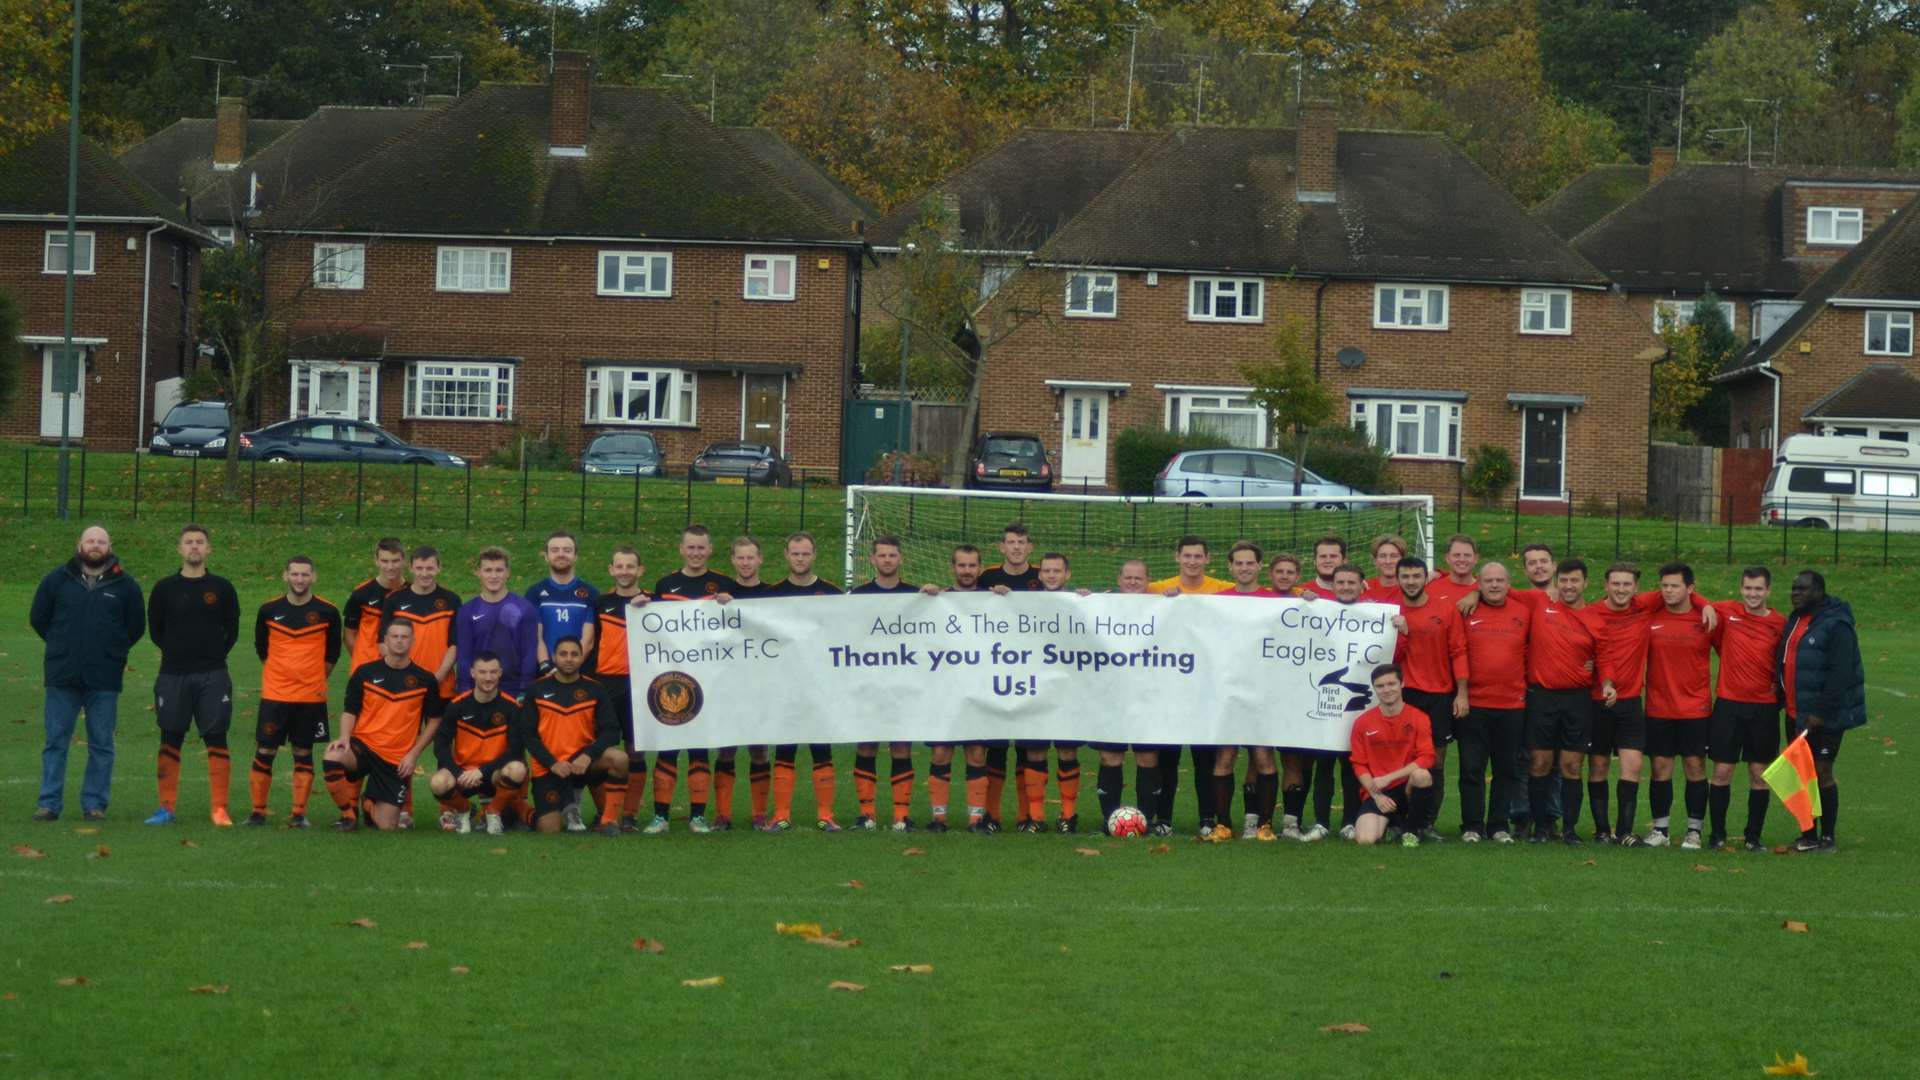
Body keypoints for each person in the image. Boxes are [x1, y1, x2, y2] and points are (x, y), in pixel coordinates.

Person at [30, 526, 145, 822]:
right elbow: (39, 619)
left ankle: (94, 804)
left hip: (104, 678)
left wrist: (111, 652)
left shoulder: (126, 585)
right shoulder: (56, 580)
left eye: (101, 541)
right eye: (90, 540)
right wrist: (62, 646)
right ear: (79, 545)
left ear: (110, 546)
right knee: (56, 741)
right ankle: (48, 803)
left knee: (102, 744)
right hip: (62, 675)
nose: (95, 545)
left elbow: (134, 628)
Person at [143, 524, 241, 826]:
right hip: (173, 674)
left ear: (209, 549)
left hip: (213, 673)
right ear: (180, 549)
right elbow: (156, 631)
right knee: (170, 737)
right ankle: (166, 808)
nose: (195, 547)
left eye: (200, 542)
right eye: (189, 542)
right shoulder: (164, 589)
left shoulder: (223, 588)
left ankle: (219, 809)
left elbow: (232, 631)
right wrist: (178, 652)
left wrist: (210, 653)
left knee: (216, 737)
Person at [644, 525, 735, 834]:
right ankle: (660, 816)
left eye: (701, 548)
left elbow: (736, 628)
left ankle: (698, 816)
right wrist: (641, 606)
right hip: (672, 676)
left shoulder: (723, 585)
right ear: (681, 549)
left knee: (700, 747)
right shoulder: (666, 584)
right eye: (691, 548)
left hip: (710, 678)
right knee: (668, 745)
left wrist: (730, 604)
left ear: (710, 550)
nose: (696, 553)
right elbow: (651, 626)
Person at [323, 619, 444, 832]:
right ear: (385, 640)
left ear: (412, 641)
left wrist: (413, 754)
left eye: (404, 637)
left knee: (387, 826)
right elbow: (350, 710)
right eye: (394, 636)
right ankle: (348, 814)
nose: (399, 641)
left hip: (396, 759)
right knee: (333, 755)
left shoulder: (425, 680)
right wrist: (344, 737)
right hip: (364, 746)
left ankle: (368, 803)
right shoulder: (364, 673)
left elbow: (434, 720)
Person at [248, 555, 342, 827]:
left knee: (303, 752)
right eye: (295, 574)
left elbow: (332, 653)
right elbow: (261, 648)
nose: (300, 579)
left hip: (310, 698)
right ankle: (258, 812)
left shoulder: (327, 611)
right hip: (275, 696)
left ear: (314, 577)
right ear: (285, 576)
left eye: (305, 574)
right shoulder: (268, 610)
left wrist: (311, 678)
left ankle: (299, 813)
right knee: (265, 751)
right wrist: (281, 674)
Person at [1775, 569, 1864, 853]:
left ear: (1819, 591)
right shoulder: (1796, 620)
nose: (1795, 594)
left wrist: (1822, 712)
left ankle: (1828, 837)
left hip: (1824, 717)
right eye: (1793, 589)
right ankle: (1808, 834)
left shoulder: (1837, 624)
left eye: (1802, 589)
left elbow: (1841, 672)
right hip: (1795, 712)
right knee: (1802, 774)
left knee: (1823, 770)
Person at [1150, 535, 1229, 836]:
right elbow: (1124, 603)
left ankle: (1207, 818)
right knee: (1168, 760)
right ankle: (1163, 818)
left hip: (1206, 690)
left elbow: (1263, 599)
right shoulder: (1159, 589)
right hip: (1169, 689)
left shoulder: (1222, 589)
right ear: (1177, 558)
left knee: (1204, 759)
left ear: (1208, 559)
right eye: (1187, 556)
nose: (1192, 561)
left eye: (1198, 556)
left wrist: (1305, 594)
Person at [1386, 555, 1467, 842]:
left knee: (1435, 761)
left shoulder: (1445, 609)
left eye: (1415, 576)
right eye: (1405, 577)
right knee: (1398, 759)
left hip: (1439, 696)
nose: (1410, 582)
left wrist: (1461, 692)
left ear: (1426, 578)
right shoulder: (1387, 610)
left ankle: (1426, 822)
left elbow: (1458, 650)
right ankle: (1398, 820)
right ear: (1397, 579)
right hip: (1402, 695)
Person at [767, 532, 843, 831]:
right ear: (786, 556)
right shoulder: (771, 595)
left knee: (821, 749)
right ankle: (781, 815)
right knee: (785, 749)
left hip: (820, 685)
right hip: (784, 686)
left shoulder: (832, 593)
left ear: (814, 556)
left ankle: (826, 816)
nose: (800, 558)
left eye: (806, 553)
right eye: (795, 553)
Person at [1707, 566, 1787, 851]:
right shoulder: (1727, 613)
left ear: (1768, 591)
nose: (1753, 594)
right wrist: (1705, 606)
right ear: (1740, 589)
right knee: (1722, 771)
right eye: (1748, 588)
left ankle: (1753, 837)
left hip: (1763, 708)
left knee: (1758, 772)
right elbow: (1696, 600)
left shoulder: (1779, 623)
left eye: (1759, 589)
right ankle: (1717, 835)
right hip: (1729, 705)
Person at [517, 636, 627, 836]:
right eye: (563, 654)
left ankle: (608, 821)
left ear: (581, 657)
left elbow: (611, 731)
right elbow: (528, 735)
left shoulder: (595, 689)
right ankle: (520, 810)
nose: (569, 659)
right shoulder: (537, 689)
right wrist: (551, 762)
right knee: (549, 829)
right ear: (554, 657)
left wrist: (588, 755)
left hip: (584, 763)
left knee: (619, 758)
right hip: (550, 767)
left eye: (574, 654)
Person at [1209, 541, 1281, 839]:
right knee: (1225, 757)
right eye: (1238, 563)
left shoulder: (1275, 601)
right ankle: (1223, 824)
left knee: (1263, 757)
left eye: (1249, 563)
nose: (1244, 568)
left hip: (1263, 693)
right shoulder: (1218, 600)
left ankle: (1265, 825)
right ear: (1230, 567)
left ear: (1259, 566)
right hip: (1228, 693)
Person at [1641, 563, 1714, 850]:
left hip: (1695, 709)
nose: (1668, 591)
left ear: (1690, 589)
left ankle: (1694, 830)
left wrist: (1704, 604)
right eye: (1664, 585)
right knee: (1660, 769)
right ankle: (1660, 829)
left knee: (1695, 767)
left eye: (1675, 585)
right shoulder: (1650, 616)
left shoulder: (1706, 619)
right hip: (1659, 708)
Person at [920, 544, 991, 832]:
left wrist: (1005, 597)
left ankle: (976, 819)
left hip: (979, 690)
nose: (966, 571)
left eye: (972, 565)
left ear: (979, 568)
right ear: (953, 568)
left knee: (976, 752)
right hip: (945, 691)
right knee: (940, 753)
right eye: (961, 565)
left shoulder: (993, 600)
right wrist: (925, 596)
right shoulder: (939, 599)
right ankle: (939, 818)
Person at [1456, 562, 1529, 843]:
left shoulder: (1523, 611)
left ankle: (1498, 826)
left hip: (1512, 705)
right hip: (1474, 704)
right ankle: (1472, 825)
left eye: (1500, 580)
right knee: (1472, 768)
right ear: (1479, 584)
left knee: (1506, 769)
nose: (1495, 585)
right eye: (1489, 581)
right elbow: (1458, 651)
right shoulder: (1466, 610)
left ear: (1509, 583)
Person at [849, 535, 918, 831]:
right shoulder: (856, 597)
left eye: (892, 555)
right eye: (882, 555)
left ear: (900, 559)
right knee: (866, 747)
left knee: (901, 747)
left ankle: (901, 817)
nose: (887, 560)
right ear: (873, 560)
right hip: (868, 686)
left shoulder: (916, 597)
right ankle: (868, 815)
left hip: (903, 687)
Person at [1094, 559, 1166, 835]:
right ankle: (1109, 820)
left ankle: (1145, 820)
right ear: (1119, 579)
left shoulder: (1161, 608)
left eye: (1139, 578)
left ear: (1148, 580)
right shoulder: (1101, 606)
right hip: (1110, 697)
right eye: (1128, 577)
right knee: (1110, 757)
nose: (1133, 582)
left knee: (1148, 758)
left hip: (1148, 697)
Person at [710, 536, 777, 831]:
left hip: (762, 682)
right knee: (726, 748)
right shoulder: (719, 595)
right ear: (733, 561)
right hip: (727, 681)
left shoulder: (774, 595)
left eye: (751, 558)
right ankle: (722, 815)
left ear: (760, 560)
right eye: (741, 558)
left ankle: (759, 815)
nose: (746, 563)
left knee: (759, 749)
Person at [429, 652, 529, 835]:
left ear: (500, 673)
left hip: (493, 774)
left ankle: (493, 812)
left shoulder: (512, 707)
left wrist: (482, 771)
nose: (488, 678)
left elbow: (516, 749)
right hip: (464, 773)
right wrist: (458, 772)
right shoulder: (457, 706)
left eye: (493, 672)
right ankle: (464, 810)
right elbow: (440, 746)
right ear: (472, 673)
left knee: (517, 769)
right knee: (438, 782)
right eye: (482, 672)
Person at [590, 545, 650, 831]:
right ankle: (606, 812)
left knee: (636, 749)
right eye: (619, 566)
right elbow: (589, 643)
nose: (625, 571)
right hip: (607, 682)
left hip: (642, 682)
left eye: (630, 566)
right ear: (611, 570)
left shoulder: (654, 602)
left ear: (640, 570)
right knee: (606, 749)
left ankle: (630, 815)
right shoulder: (600, 602)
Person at [1348, 664, 1437, 847]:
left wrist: (1389, 778)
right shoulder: (1362, 722)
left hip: (1406, 787)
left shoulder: (1419, 718)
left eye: (1391, 684)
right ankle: (1394, 825)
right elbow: (1358, 764)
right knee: (1365, 840)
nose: (1386, 690)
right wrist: (1376, 796)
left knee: (1422, 775)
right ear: (1374, 688)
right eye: (1380, 686)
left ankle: (1411, 832)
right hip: (1378, 791)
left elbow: (1427, 757)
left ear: (1402, 684)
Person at [456, 547, 539, 696]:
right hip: (478, 690)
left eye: (499, 570)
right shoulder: (467, 611)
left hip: (513, 689)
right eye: (488, 570)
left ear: (508, 572)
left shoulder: (524, 608)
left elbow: (529, 652)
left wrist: (525, 690)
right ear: (478, 572)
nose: (493, 576)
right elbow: (464, 655)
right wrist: (464, 690)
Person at [527, 530, 598, 672]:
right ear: (546, 556)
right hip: (545, 673)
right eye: (555, 550)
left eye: (567, 550)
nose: (561, 554)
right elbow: (535, 637)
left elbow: (588, 640)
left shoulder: (591, 593)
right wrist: (545, 666)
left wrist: (569, 668)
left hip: (579, 672)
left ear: (575, 556)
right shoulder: (534, 593)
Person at [343, 538, 407, 670]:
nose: (390, 567)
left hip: (402, 666)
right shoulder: (361, 593)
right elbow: (349, 634)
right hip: (367, 666)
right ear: (376, 561)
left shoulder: (411, 592)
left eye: (395, 561)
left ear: (403, 561)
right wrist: (362, 662)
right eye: (385, 561)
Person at [979, 523, 1043, 592]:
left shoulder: (1042, 574)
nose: (1016, 547)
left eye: (1021, 542)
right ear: (1002, 547)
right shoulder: (988, 576)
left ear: (1030, 548)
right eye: (1011, 542)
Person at [1425, 534, 1480, 609]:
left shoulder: (1486, 590)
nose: (1462, 559)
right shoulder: (1431, 588)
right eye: (1456, 555)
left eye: (1467, 555)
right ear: (1447, 558)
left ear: (1476, 558)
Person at [1364, 534, 1408, 603]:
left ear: (1403, 560)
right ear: (1374, 560)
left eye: (1394, 556)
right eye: (1383, 556)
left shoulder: (1413, 588)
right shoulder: (1363, 588)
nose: (1388, 561)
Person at [1300, 534, 1346, 598]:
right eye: (1323, 556)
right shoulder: (1300, 593)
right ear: (1315, 561)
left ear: (1344, 561)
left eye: (1333, 556)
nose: (1328, 561)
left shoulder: (1362, 588)